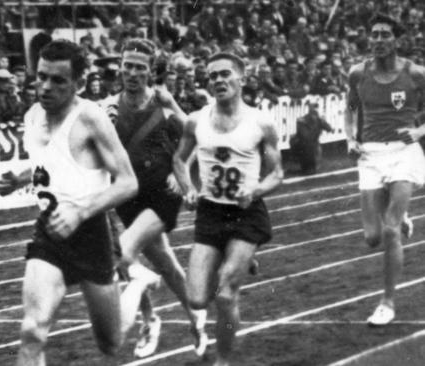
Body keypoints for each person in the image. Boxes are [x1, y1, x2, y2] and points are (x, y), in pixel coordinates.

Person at [0, 39, 138, 365]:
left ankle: (139, 284)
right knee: (32, 331)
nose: (45, 87)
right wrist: (17, 179)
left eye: (58, 80)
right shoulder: (33, 116)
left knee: (110, 344)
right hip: (49, 232)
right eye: (41, 76)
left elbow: (129, 181)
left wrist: (81, 211)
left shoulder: (90, 118)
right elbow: (49, 165)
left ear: (79, 83)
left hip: (92, 234)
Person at [100, 38, 209, 359]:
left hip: (162, 194)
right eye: (128, 66)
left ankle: (150, 320)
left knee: (125, 253)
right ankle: (196, 320)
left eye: (140, 68)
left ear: (151, 72)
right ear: (120, 66)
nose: (132, 73)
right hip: (127, 196)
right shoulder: (107, 107)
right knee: (166, 265)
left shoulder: (162, 105)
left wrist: (181, 172)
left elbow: (198, 138)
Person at [173, 52, 283, 366]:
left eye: (225, 74)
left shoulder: (260, 122)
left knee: (225, 295)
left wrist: (257, 189)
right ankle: (242, 257)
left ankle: (224, 357)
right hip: (210, 212)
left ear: (241, 79)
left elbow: (277, 173)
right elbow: (180, 160)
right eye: (212, 76)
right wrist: (188, 189)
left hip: (246, 213)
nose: (218, 81)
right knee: (196, 298)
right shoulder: (196, 120)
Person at [345, 13, 425, 327]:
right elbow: (351, 106)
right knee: (371, 237)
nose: (378, 40)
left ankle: (387, 302)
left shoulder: (415, 73)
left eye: (384, 34)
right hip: (370, 155)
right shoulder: (357, 73)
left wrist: (420, 132)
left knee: (390, 230)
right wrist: (350, 136)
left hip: (404, 153)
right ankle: (400, 213)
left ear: (397, 40)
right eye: (374, 34)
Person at [289, 101, 333, 174]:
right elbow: (304, 136)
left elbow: (329, 129)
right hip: (305, 146)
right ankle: (306, 165)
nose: (315, 110)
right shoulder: (302, 121)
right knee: (297, 141)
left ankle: (312, 165)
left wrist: (323, 123)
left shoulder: (318, 120)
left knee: (312, 146)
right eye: (313, 108)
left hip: (311, 146)